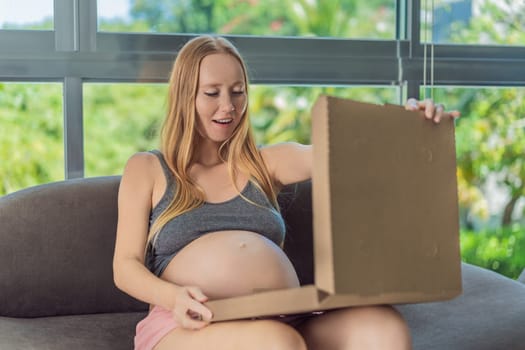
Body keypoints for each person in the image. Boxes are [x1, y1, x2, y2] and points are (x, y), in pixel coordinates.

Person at [113, 35, 460, 350]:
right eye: (212, 92)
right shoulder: (147, 169)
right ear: (184, 95)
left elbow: (350, 151)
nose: (228, 106)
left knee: (384, 328)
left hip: (283, 316)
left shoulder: (267, 162)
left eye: (237, 91)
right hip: (188, 323)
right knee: (276, 343)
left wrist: (410, 124)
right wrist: (173, 297)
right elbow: (125, 266)